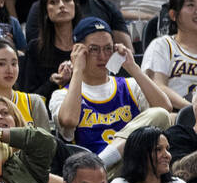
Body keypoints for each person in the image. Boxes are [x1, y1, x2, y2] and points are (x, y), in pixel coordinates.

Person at [52, 16, 171, 157]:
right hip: (90, 171)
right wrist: (77, 68)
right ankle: (101, 163)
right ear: (79, 51)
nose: (103, 56)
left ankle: (104, 160)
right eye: (94, 49)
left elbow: (165, 109)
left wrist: (132, 67)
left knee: (160, 114)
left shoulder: (129, 85)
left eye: (108, 48)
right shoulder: (63, 95)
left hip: (134, 165)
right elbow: (69, 121)